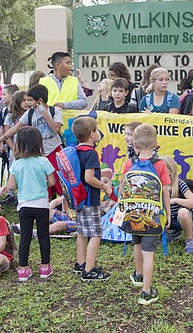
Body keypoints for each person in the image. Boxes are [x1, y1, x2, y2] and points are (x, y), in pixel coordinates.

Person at [119, 123, 170, 305]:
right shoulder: (160, 165)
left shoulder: (128, 163)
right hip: (152, 216)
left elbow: (122, 188)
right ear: (156, 143)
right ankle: (146, 292)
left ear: (134, 145)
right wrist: (168, 214)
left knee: (137, 245)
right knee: (149, 253)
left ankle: (139, 275)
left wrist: (120, 210)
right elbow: (165, 191)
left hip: (132, 214)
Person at [1, 126, 55, 281]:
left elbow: (11, 186)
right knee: (43, 235)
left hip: (24, 205)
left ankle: (23, 269)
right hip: (41, 204)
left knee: (25, 236)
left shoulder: (17, 164)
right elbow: (51, 182)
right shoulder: (43, 161)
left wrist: (22, 183)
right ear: (38, 143)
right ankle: (45, 267)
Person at [0, 84, 62, 199]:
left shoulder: (55, 111)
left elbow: (56, 129)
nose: (28, 103)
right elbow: (14, 129)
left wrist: (45, 114)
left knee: (57, 182)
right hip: (39, 154)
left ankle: (61, 206)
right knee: (43, 182)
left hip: (54, 151)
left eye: (30, 100)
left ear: (39, 101)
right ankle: (45, 203)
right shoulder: (30, 113)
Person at [71, 116, 112, 281]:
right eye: (96, 130)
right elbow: (89, 178)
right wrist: (105, 186)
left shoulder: (77, 150)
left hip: (79, 199)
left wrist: (100, 173)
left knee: (82, 232)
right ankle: (89, 270)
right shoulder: (92, 153)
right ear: (92, 135)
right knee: (95, 233)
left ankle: (81, 263)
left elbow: (83, 173)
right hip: (89, 200)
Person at [161, 156, 193, 255]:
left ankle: (189, 240)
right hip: (165, 219)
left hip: (180, 218)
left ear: (171, 170)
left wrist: (175, 200)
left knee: (182, 212)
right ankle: (171, 233)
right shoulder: (156, 186)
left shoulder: (180, 184)